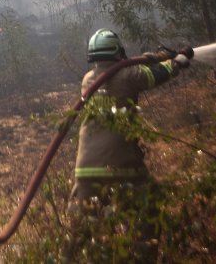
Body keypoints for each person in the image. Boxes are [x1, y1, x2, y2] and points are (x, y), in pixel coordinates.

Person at [69, 28, 193, 259]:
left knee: (86, 232)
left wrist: (155, 56)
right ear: (118, 52)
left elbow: (136, 67)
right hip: (121, 165)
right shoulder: (128, 76)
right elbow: (157, 75)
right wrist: (178, 61)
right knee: (150, 208)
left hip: (84, 168)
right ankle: (142, 257)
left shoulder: (88, 80)